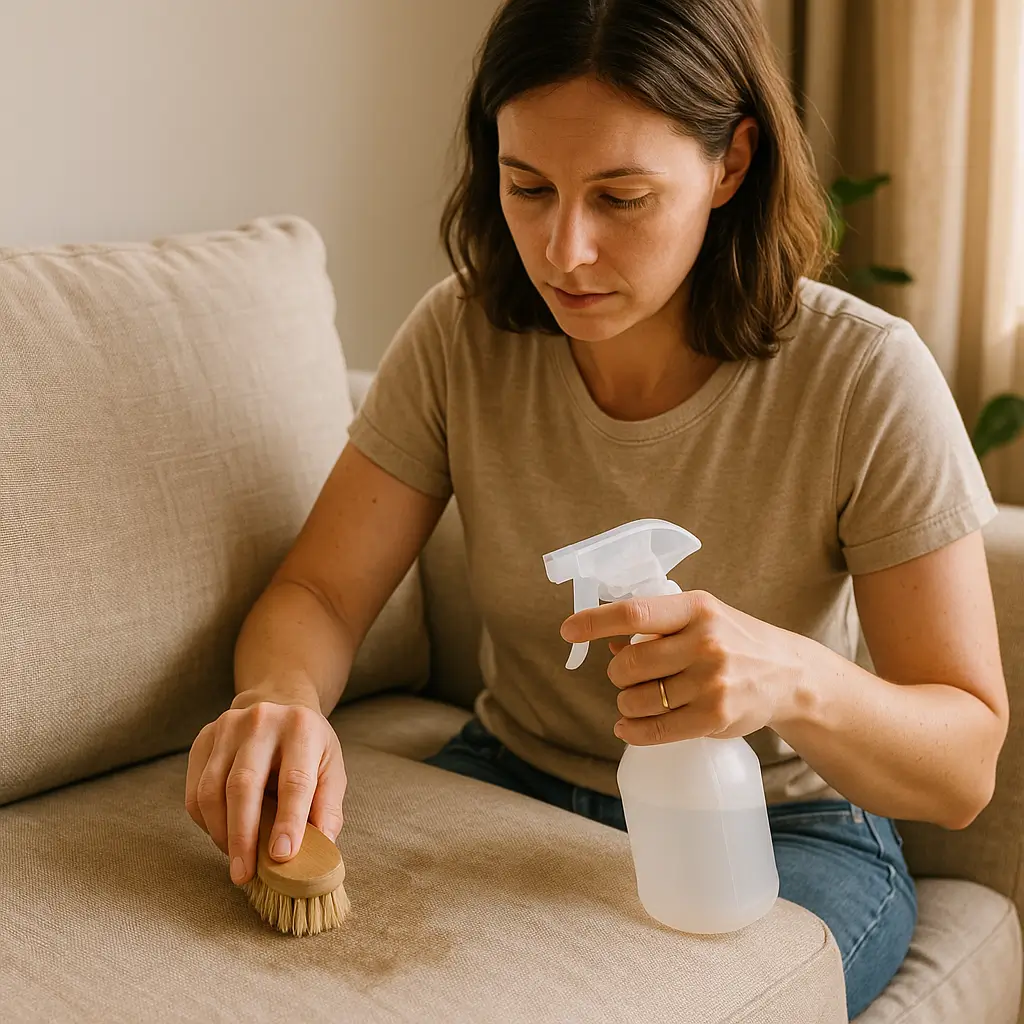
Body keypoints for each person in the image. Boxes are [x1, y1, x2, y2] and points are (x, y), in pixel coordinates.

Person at [184, 0, 1009, 1016]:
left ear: (730, 163)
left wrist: (788, 675)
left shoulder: (862, 377)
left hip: (784, 823)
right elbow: (320, 589)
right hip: (510, 775)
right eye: (526, 186)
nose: (562, 250)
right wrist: (278, 697)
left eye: (620, 197)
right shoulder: (462, 334)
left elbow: (964, 763)